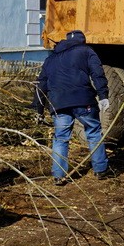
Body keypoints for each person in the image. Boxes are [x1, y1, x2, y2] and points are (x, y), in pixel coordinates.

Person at [34, 29, 113, 185]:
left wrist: (39, 110)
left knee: (61, 138)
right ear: (82, 41)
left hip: (59, 104)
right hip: (83, 101)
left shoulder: (51, 58)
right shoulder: (86, 51)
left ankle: (58, 175)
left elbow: (40, 85)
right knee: (94, 133)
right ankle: (101, 170)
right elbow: (97, 73)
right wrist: (103, 95)